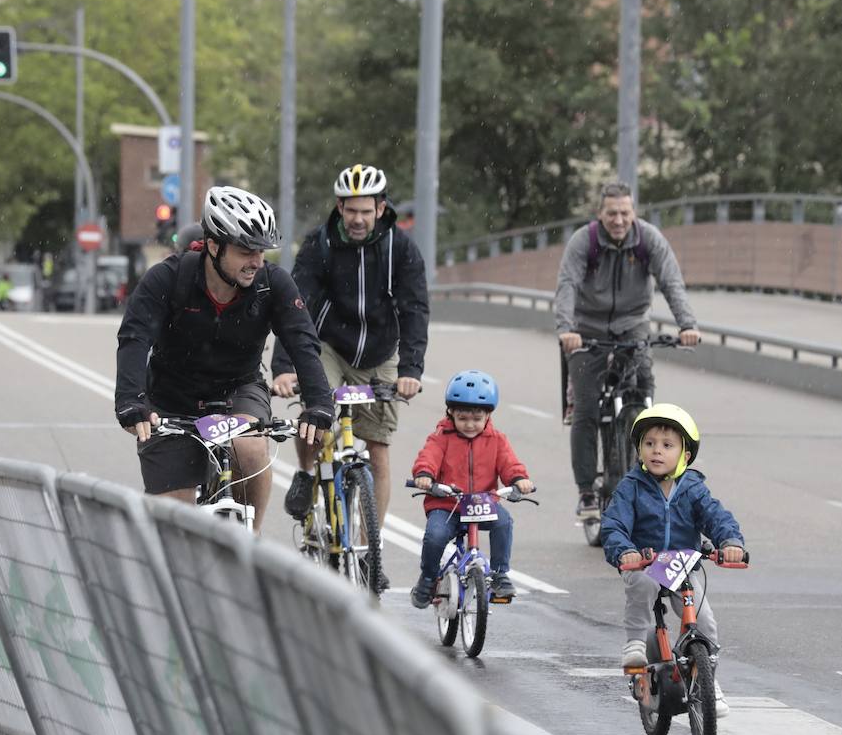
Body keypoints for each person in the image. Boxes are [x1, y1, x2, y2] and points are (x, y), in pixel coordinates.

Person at [115, 185, 335, 533]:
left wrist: (320, 402)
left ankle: (251, 544)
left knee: (249, 448)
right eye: (246, 251)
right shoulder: (168, 278)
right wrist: (130, 399)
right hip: (172, 398)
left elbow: (302, 343)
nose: (257, 262)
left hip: (239, 388)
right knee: (177, 527)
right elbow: (134, 338)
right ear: (214, 246)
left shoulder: (271, 284)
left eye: (262, 252)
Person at [272, 164, 430, 544]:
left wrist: (410, 368)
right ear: (340, 207)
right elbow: (295, 305)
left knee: (378, 449)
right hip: (328, 345)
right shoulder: (320, 243)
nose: (358, 219)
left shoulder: (400, 247)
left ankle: (366, 542)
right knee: (315, 415)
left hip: (379, 351)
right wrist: (284, 367)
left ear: (380, 208)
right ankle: (308, 472)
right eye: (351, 210)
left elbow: (415, 309)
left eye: (366, 210)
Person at [554, 182, 700, 521]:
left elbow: (671, 282)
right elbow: (567, 286)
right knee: (587, 407)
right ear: (600, 214)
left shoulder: (648, 239)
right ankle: (587, 490)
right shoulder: (583, 242)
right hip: (586, 329)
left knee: (642, 395)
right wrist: (567, 330)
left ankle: (644, 478)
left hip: (633, 325)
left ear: (634, 213)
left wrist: (687, 325)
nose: (618, 220)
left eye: (625, 213)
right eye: (611, 213)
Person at [600, 403, 744, 717]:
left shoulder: (693, 488)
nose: (657, 451)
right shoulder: (631, 488)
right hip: (645, 563)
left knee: (704, 621)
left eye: (667, 445)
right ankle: (636, 642)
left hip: (680, 565)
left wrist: (730, 542)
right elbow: (613, 525)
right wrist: (625, 550)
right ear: (639, 450)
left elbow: (717, 517)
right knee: (643, 585)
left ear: (685, 456)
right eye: (649, 444)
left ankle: (707, 680)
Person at [408, 370, 535, 607]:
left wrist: (519, 479)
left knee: (504, 523)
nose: (470, 424)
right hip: (448, 505)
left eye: (477, 419)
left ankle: (499, 574)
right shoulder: (441, 437)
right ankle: (428, 578)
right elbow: (429, 457)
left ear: (488, 415)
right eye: (463, 418)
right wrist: (425, 475)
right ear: (451, 413)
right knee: (434, 537)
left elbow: (510, 463)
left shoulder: (497, 440)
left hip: (482, 505)